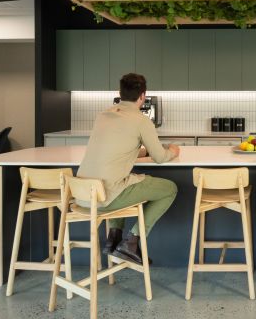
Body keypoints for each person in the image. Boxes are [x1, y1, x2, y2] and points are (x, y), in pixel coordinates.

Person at [76, 73, 180, 265]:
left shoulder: (103, 116)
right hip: (104, 198)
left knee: (121, 180)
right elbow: (160, 157)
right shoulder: (141, 120)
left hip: (81, 194)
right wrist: (172, 151)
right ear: (143, 96)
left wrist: (141, 153)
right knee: (170, 189)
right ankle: (132, 242)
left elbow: (117, 150)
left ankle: (113, 238)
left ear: (120, 93)